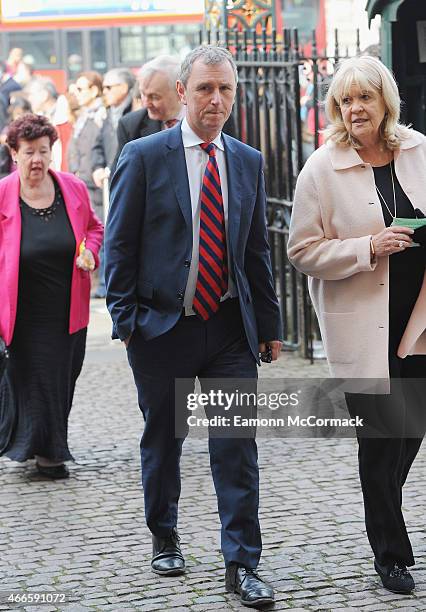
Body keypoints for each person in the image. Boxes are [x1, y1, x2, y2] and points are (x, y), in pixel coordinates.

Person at [105, 45, 282, 608]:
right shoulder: (144, 156)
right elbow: (119, 244)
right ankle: (165, 535)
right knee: (165, 437)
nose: (216, 100)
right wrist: (127, 320)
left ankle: (243, 565)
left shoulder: (247, 162)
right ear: (182, 92)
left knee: (236, 446)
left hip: (228, 327)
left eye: (225, 89)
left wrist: (268, 325)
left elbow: (256, 252)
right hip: (162, 329)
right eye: (205, 88)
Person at [288, 56, 426, 595]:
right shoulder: (322, 167)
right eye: (345, 101)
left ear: (384, 101)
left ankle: (384, 503)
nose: (355, 110)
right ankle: (390, 553)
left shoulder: (417, 150)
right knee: (379, 439)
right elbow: (303, 249)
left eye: (364, 98)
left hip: (415, 321)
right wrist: (368, 246)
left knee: (410, 429)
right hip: (363, 323)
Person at [0, 114, 103, 478]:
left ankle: (36, 443)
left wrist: (90, 250)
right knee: (32, 378)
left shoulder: (71, 188)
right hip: (20, 309)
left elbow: (94, 227)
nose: (37, 160)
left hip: (67, 306)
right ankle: (49, 453)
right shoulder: (2, 195)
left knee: (61, 378)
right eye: (29, 152)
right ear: (14, 153)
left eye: (44, 150)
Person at [91, 68, 135, 299]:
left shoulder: (134, 113)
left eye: (108, 87)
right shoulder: (107, 113)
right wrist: (98, 166)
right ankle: (106, 285)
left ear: (123, 88)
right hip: (109, 179)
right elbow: (97, 145)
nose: (104, 92)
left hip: (125, 178)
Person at [68, 71, 106, 215]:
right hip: (83, 181)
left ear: (94, 90)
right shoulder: (83, 116)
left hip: (96, 185)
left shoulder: (101, 115)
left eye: (80, 89)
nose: (76, 94)